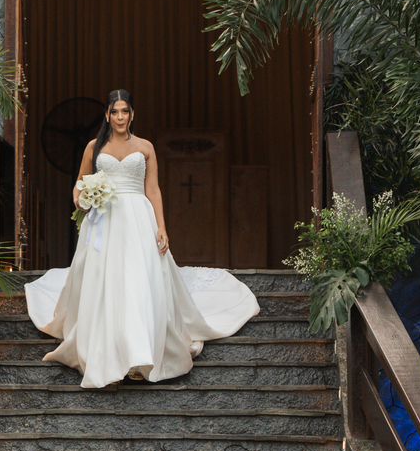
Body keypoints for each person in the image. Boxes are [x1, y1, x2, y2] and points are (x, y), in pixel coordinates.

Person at [24, 88, 258, 387]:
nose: (120, 117)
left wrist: (161, 227)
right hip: (105, 221)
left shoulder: (146, 147)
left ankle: (139, 358)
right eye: (115, 112)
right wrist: (82, 200)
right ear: (107, 115)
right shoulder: (94, 146)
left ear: (132, 114)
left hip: (138, 219)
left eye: (125, 111)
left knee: (138, 282)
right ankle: (106, 356)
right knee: (106, 283)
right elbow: (79, 184)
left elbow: (153, 189)